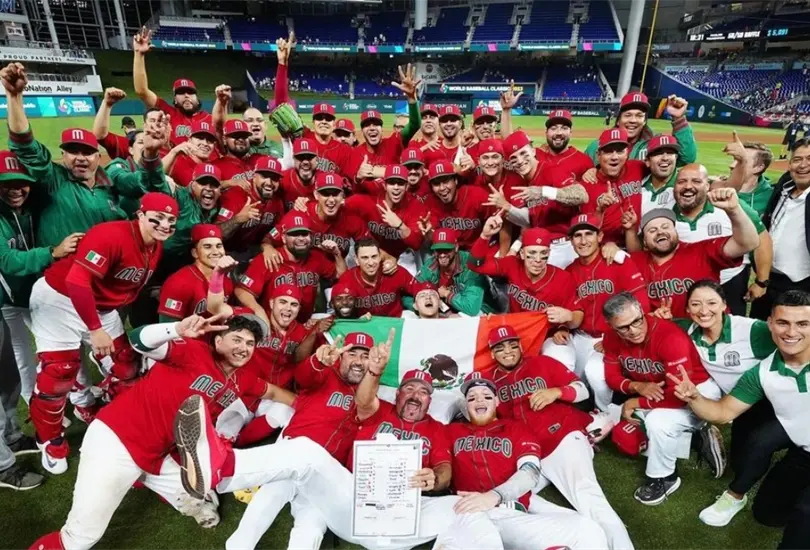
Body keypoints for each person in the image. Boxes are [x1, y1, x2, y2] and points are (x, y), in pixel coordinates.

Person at [28, 312, 294, 550]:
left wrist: (304, 406)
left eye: (250, 344)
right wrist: (176, 329)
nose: (244, 348)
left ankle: (147, 481)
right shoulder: (193, 351)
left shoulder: (241, 379)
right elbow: (138, 340)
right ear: (217, 341)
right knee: (81, 538)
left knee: (203, 495)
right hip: (118, 441)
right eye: (237, 339)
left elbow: (271, 391)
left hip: (157, 454)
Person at [28, 192, 179, 474]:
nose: (164, 224)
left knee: (126, 365)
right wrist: (95, 330)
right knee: (59, 372)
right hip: (60, 298)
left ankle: (94, 406)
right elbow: (77, 280)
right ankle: (48, 439)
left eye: (171, 220)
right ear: (140, 214)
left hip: (100, 307)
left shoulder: (154, 246)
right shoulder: (111, 235)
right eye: (157, 217)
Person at [669, 290, 810, 550]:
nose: (791, 332)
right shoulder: (762, 372)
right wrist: (694, 397)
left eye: (802, 324)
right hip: (803, 448)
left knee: (803, 519)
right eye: (783, 323)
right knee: (767, 514)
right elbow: (723, 413)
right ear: (769, 324)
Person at [487, 325, 632, 549]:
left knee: (590, 501)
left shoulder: (541, 363)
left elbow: (582, 390)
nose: (508, 351)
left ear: (520, 346)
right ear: (492, 353)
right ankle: (578, 526)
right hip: (531, 454)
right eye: (500, 348)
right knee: (506, 499)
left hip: (561, 440)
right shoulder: (491, 383)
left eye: (512, 345)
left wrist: (556, 392)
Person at [3, 62, 166, 249]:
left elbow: (146, 184)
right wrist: (14, 97)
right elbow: (26, 146)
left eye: (88, 152)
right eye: (73, 151)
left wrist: (152, 153)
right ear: (63, 155)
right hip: (63, 272)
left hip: (105, 270)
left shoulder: (110, 179)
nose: (80, 157)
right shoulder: (53, 178)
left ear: (98, 156)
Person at [441, 371, 611, 549]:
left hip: (507, 510)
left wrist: (494, 496)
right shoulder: (450, 432)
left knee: (589, 530)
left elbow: (529, 472)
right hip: (469, 512)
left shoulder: (515, 429)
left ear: (497, 401)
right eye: (472, 398)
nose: (480, 401)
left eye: (486, 396)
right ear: (465, 406)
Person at [601, 292, 724, 505]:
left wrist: (635, 401)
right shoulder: (610, 337)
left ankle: (664, 477)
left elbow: (680, 395)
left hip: (697, 392)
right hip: (658, 390)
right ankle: (696, 436)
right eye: (624, 327)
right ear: (611, 325)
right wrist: (636, 386)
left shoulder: (670, 337)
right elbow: (611, 376)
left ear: (641, 310)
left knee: (657, 422)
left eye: (637, 321)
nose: (634, 331)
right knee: (625, 436)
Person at [0, 151, 85, 407]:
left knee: (62, 341)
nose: (16, 190)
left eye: (21, 184)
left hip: (38, 291)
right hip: (8, 299)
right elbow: (7, 260)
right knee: (21, 354)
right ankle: (33, 403)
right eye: (7, 185)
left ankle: (78, 396)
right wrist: (52, 252)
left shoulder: (35, 206)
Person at [626, 188, 761, 319]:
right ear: (644, 241)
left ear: (676, 232)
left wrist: (734, 210)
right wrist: (610, 247)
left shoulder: (701, 251)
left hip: (708, 330)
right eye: (652, 230)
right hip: (664, 334)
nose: (660, 232)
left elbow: (748, 243)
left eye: (666, 227)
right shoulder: (634, 262)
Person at [470, 217, 583, 373]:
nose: (537, 260)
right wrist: (485, 236)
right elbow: (475, 265)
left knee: (562, 359)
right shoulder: (512, 264)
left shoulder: (563, 278)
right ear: (522, 253)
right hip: (517, 333)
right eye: (532, 253)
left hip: (548, 335)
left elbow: (578, 316)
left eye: (543, 253)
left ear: (549, 253)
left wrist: (569, 318)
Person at [565, 213, 650, 410]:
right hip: (580, 336)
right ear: (571, 241)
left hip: (611, 337)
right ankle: (582, 416)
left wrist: (614, 337)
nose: (584, 241)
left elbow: (641, 305)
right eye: (578, 236)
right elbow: (568, 307)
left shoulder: (618, 261)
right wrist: (562, 328)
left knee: (595, 372)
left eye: (589, 234)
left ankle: (605, 413)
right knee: (568, 379)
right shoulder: (569, 271)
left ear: (600, 237)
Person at [669, 163, 771, 316]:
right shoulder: (665, 215)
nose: (688, 186)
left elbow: (762, 239)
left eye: (696, 181)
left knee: (730, 333)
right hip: (686, 286)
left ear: (708, 186)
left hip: (730, 284)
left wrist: (761, 281)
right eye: (681, 181)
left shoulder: (730, 206)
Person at [236, 211, 345, 324]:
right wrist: (259, 312)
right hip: (274, 327)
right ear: (283, 238)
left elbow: (342, 276)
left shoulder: (316, 257)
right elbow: (242, 291)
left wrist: (337, 254)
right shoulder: (269, 258)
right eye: (294, 234)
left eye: (304, 234)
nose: (301, 238)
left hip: (303, 326)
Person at [754, 137, 810, 319]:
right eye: (797, 159)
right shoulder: (783, 189)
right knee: (761, 332)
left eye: (809, 159)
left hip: (801, 284)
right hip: (768, 280)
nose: (803, 165)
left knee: (793, 338)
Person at [132, 27, 211, 145]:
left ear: (197, 97)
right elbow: (141, 91)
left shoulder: (208, 118)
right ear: (175, 99)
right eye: (181, 93)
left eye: (190, 92)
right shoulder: (167, 113)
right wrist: (139, 54)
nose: (186, 96)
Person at [345, 164, 429, 267]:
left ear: (407, 186)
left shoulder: (415, 206)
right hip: (371, 251)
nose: (396, 188)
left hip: (401, 256)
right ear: (384, 185)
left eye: (400, 183)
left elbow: (416, 244)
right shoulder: (369, 200)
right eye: (392, 183)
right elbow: (341, 205)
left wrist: (400, 225)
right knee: (351, 253)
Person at [404, 227, 497, 316]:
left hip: (480, 313)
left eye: (447, 249)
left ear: (456, 247)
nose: (442, 254)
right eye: (438, 250)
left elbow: (471, 308)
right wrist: (431, 307)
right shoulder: (430, 267)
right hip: (445, 311)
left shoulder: (470, 266)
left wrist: (447, 294)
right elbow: (406, 296)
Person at [584, 92, 695, 164]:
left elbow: (687, 159)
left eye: (639, 115)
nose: (633, 120)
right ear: (618, 120)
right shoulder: (596, 147)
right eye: (628, 115)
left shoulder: (655, 146)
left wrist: (678, 118)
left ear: (644, 121)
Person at [157, 224, 231, 322]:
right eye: (207, 247)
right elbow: (167, 328)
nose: (216, 252)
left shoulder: (225, 277)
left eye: (219, 246)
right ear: (195, 253)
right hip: (187, 336)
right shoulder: (179, 283)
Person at [216, 155, 285, 257]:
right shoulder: (236, 195)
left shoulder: (277, 203)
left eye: (274, 178)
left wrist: (267, 245)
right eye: (264, 176)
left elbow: (280, 230)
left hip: (252, 251)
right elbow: (215, 234)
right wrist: (238, 219)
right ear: (254, 176)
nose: (269, 183)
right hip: (224, 253)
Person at [335, 238, 420, 318]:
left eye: (374, 256)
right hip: (363, 325)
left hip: (394, 321)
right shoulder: (347, 279)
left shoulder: (395, 271)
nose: (371, 263)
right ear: (356, 260)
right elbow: (339, 311)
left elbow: (420, 290)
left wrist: (410, 304)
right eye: (365, 258)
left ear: (380, 257)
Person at [422, 159, 492, 250]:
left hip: (479, 249)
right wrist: (429, 235)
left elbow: (501, 220)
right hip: (449, 252)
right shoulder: (431, 202)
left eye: (446, 181)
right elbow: (433, 236)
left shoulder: (476, 195)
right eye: (436, 184)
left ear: (455, 180)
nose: (442, 188)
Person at [534, 109, 594, 185]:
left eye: (564, 128)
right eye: (553, 128)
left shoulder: (585, 162)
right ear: (546, 132)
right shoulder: (534, 156)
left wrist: (594, 170)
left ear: (570, 133)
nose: (559, 132)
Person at [164, 120, 218, 188]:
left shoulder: (212, 168)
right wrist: (173, 152)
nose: (205, 143)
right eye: (200, 138)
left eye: (210, 140)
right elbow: (156, 178)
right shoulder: (177, 162)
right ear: (189, 140)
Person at [640, 135, 679, 215]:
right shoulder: (637, 186)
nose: (665, 158)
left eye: (670, 153)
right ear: (647, 161)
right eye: (658, 153)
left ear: (676, 157)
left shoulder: (684, 187)